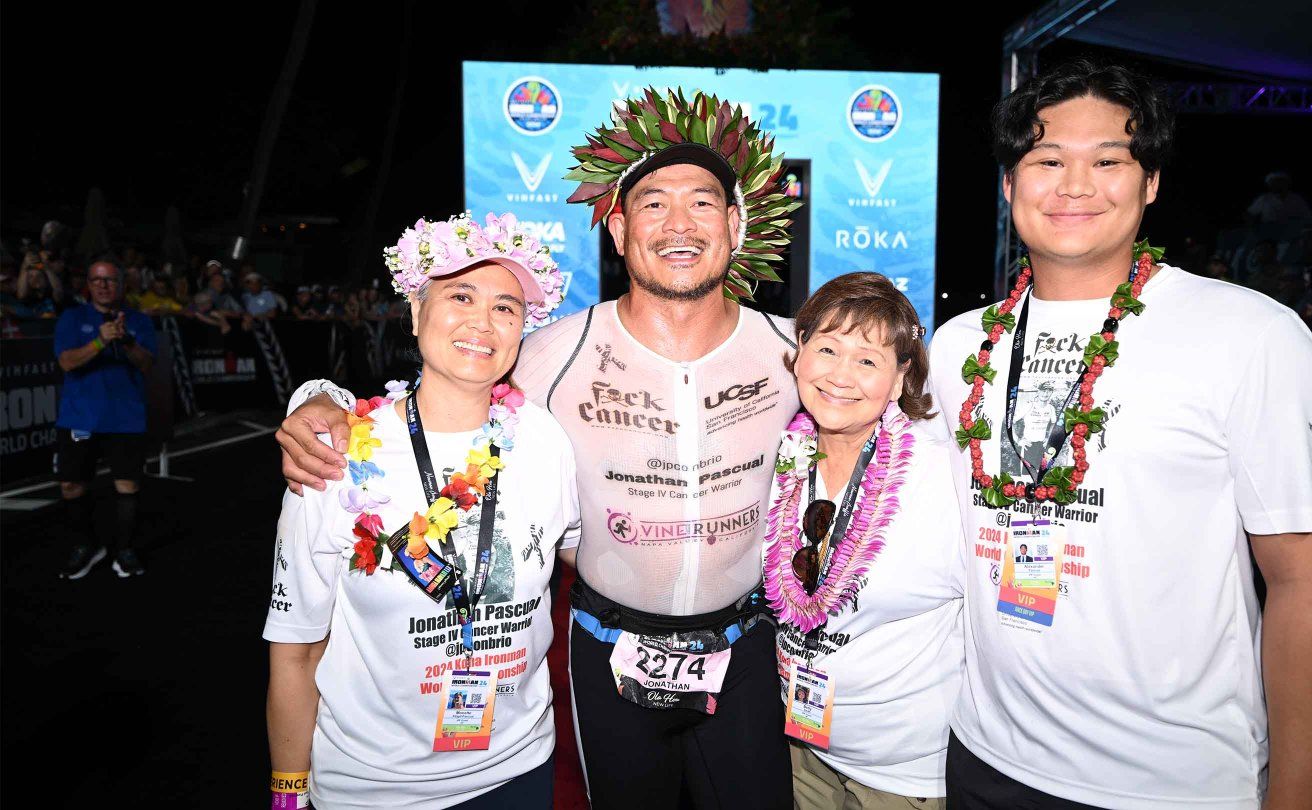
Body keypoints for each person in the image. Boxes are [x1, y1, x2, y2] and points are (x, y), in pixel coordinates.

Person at [275, 88, 801, 809]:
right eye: (653, 204)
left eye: (702, 203)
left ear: (736, 225)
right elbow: (448, 379)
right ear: (617, 231)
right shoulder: (552, 351)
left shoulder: (794, 351)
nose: (678, 222)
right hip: (607, 652)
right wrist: (317, 397)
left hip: (746, 652)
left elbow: (891, 406)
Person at [930, 59, 1312, 809]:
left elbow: (1311, 583)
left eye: (1109, 162)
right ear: (1009, 182)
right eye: (1047, 159)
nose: (1074, 185)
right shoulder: (962, 344)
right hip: (982, 758)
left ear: (1150, 182)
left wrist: (1297, 793)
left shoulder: (1250, 337)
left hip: (1172, 783)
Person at [265, 211, 577, 809]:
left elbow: (584, 551)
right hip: (374, 790)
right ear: (414, 312)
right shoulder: (335, 455)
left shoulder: (545, 440)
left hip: (518, 771)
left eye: (505, 307)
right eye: (460, 295)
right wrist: (286, 793)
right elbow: (295, 647)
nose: (482, 323)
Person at [764, 272, 962, 809]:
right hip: (803, 749)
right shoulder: (782, 456)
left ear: (900, 380)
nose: (840, 375)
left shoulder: (941, 479)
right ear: (799, 354)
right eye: (826, 348)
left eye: (868, 360)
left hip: (900, 774)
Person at [54, 260, 157, 579]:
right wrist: (100, 340)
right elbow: (67, 362)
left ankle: (124, 550)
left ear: (121, 284)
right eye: (97, 279)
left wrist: (125, 341)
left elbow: (146, 364)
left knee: (127, 486)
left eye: (110, 280)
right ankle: (86, 546)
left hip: (125, 417)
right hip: (80, 416)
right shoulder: (72, 317)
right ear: (88, 283)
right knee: (72, 486)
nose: (103, 285)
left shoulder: (139, 320)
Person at [1246, 171, 1312, 224]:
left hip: (1292, 233)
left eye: (1280, 182)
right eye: (1273, 183)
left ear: (1286, 184)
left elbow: (1307, 216)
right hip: (1269, 234)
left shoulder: (1297, 199)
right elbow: (1250, 214)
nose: (1277, 185)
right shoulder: (1264, 199)